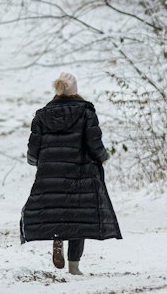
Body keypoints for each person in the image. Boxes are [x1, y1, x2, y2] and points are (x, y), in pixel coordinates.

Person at [20, 73, 121, 274]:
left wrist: (37, 162)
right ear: (75, 90)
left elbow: (33, 148)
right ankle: (74, 266)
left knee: (58, 211)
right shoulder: (85, 112)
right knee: (78, 217)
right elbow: (94, 142)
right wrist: (103, 156)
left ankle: (57, 239)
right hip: (80, 172)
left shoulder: (42, 114)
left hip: (50, 172)